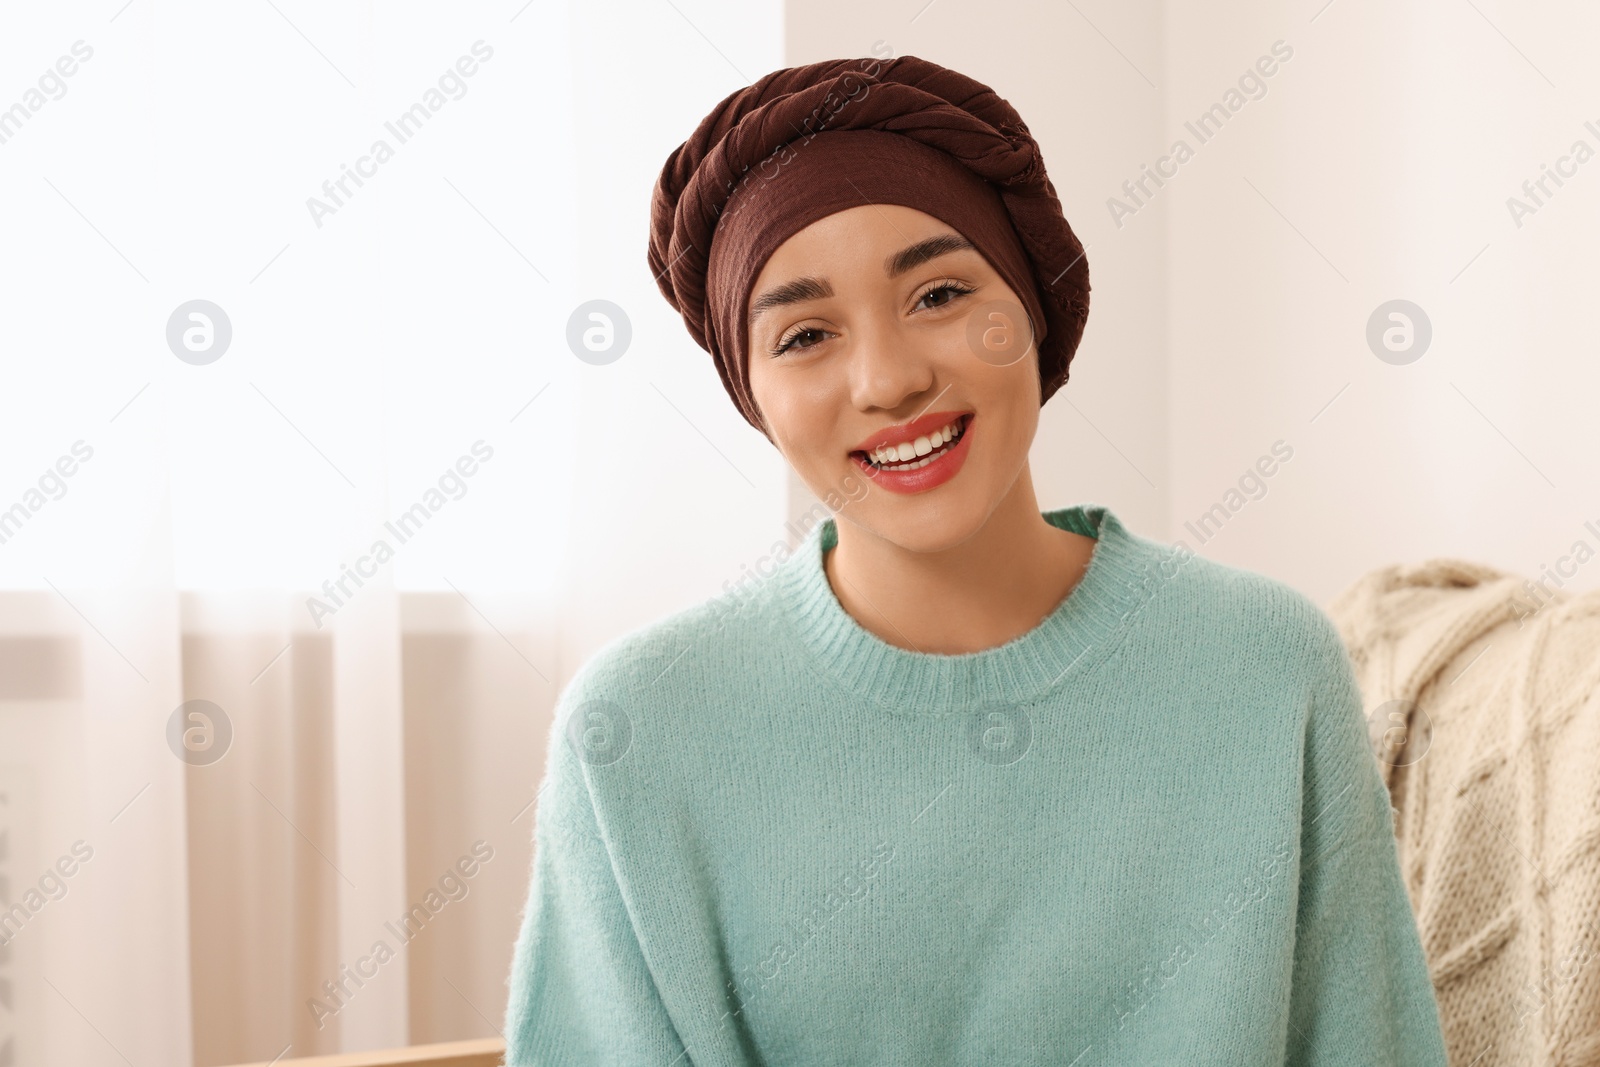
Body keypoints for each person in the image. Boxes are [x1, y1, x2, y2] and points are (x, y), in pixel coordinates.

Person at [502, 55, 1450, 1065]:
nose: (890, 378)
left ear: (1034, 312)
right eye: (806, 333)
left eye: (941, 292)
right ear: (754, 396)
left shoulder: (1264, 664)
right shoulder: (639, 727)